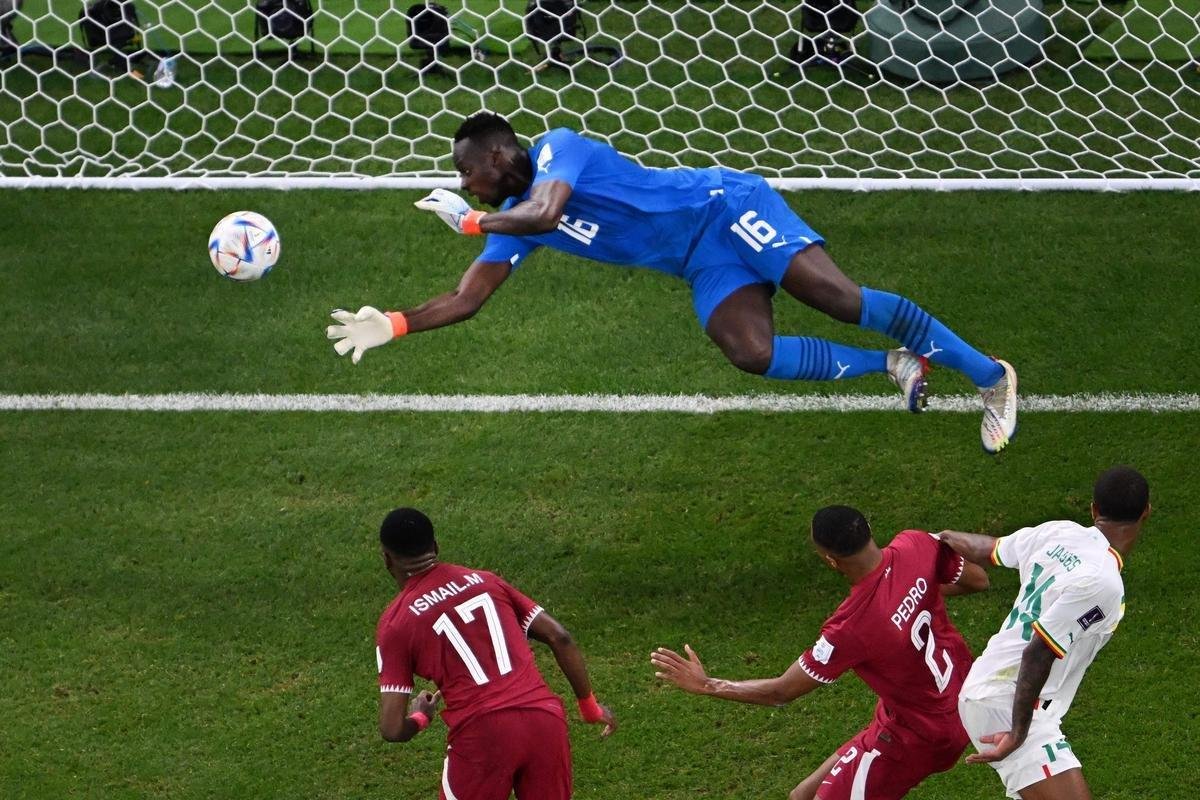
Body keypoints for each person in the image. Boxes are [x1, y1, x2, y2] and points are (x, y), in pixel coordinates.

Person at [325, 112, 1019, 453]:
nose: (463, 184)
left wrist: (475, 223)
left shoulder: (555, 150)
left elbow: (547, 209)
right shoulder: (514, 217)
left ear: (499, 156)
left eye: (466, 173)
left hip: (727, 208)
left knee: (836, 299)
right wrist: (396, 322)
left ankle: (990, 374)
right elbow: (467, 298)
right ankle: (895, 362)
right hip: (701, 261)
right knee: (750, 352)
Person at [651, 505, 989, 799]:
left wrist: (708, 684)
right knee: (802, 795)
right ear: (868, 528)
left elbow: (781, 692)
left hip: (919, 736)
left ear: (831, 560)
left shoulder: (850, 627)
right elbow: (978, 581)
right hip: (958, 700)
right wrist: (914, 594)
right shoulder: (916, 542)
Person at [938, 465, 1151, 800]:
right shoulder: (1103, 582)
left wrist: (940, 538)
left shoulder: (1058, 533)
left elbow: (987, 549)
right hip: (1009, 703)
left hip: (992, 689)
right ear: (1146, 512)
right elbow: (1038, 651)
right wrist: (1020, 732)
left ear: (1094, 509)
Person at [373, 507, 616, 799]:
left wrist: (421, 718)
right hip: (545, 721)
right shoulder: (486, 581)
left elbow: (391, 728)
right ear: (435, 547)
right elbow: (559, 637)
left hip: (484, 734)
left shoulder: (396, 623)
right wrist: (590, 707)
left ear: (387, 559)